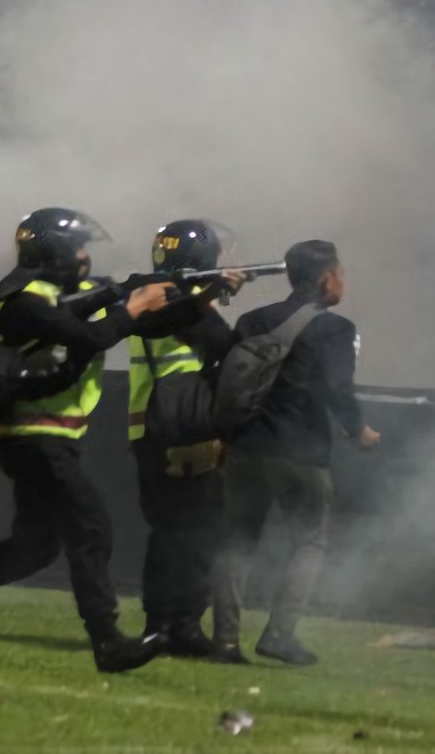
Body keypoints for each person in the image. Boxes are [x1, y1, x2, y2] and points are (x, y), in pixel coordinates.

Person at [0, 208, 175, 673]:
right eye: (81, 248)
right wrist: (132, 305)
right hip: (34, 438)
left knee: (36, 547)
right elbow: (88, 335)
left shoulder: (43, 299)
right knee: (91, 529)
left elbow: (93, 315)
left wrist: (184, 291)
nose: (87, 258)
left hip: (40, 439)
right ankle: (108, 642)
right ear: (59, 255)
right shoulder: (26, 302)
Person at [211, 240, 381, 666]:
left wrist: (224, 436)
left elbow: (226, 381)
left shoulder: (253, 320)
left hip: (246, 446)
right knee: (309, 542)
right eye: (341, 273)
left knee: (238, 541)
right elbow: (338, 388)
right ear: (326, 278)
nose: (343, 282)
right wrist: (357, 429)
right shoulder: (335, 329)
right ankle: (279, 635)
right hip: (300, 451)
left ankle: (226, 642)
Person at [126, 219, 249, 659]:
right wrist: (212, 293)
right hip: (185, 431)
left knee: (169, 534)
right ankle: (179, 625)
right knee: (198, 533)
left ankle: (162, 625)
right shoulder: (177, 301)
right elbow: (227, 346)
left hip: (150, 429)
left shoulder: (152, 295)